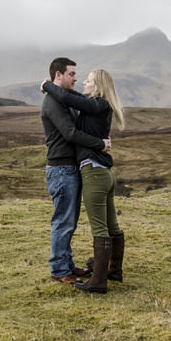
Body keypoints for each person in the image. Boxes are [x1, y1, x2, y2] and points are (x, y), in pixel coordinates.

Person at [41, 68, 125, 294]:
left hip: (94, 171)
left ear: (97, 85)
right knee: (111, 225)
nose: (82, 83)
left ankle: (98, 281)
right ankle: (114, 271)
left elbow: (68, 98)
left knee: (99, 227)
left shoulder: (98, 104)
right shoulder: (98, 104)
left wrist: (46, 85)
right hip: (104, 172)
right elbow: (73, 98)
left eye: (87, 80)